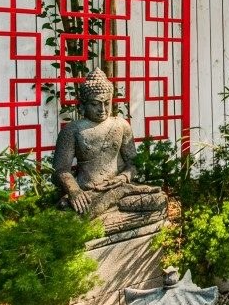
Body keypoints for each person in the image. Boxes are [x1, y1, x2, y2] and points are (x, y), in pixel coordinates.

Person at [53, 69, 166, 225]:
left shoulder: (121, 125)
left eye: (107, 103)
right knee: (66, 218)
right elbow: (60, 170)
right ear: (83, 105)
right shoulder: (72, 130)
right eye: (95, 104)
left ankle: (114, 201)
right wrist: (74, 191)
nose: (102, 109)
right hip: (88, 193)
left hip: (120, 187)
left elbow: (134, 163)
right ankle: (106, 205)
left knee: (158, 199)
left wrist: (123, 177)